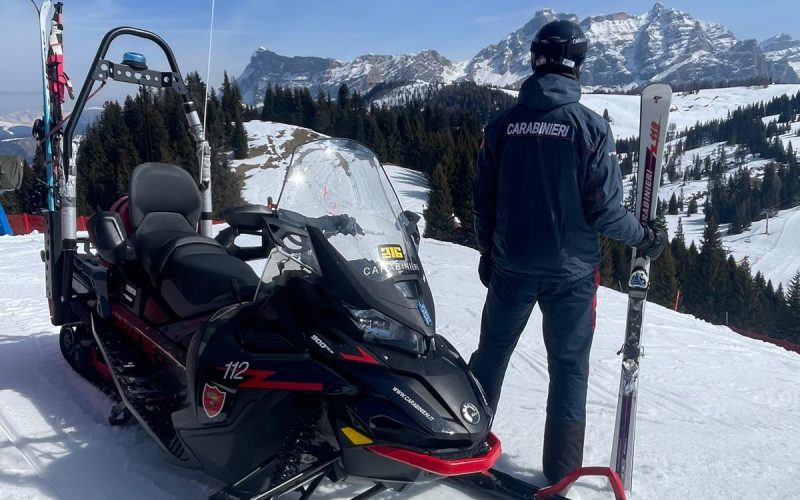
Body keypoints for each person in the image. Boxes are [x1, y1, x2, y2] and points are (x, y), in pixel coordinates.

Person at [469, 20, 667, 484]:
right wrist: (645, 237)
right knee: (569, 371)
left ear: (535, 59)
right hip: (573, 276)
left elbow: (483, 199)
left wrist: (487, 252)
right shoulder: (590, 128)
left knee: (490, 358)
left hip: (511, 267)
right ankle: (559, 477)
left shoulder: (501, 125)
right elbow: (604, 213)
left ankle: (463, 440)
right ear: (577, 63)